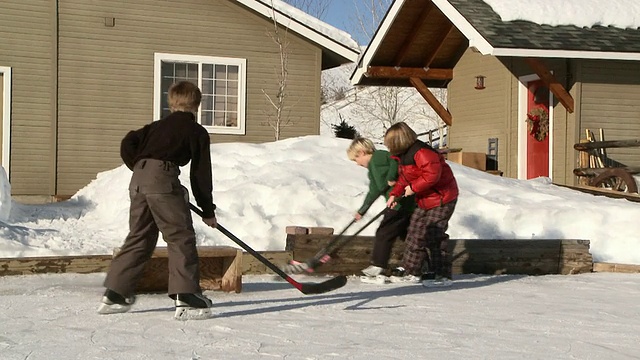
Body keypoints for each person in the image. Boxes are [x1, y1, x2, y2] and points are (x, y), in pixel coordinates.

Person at [98, 81, 218, 320]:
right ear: (196, 104)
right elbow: (200, 174)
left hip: (138, 180)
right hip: (162, 178)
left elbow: (128, 142)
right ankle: (186, 295)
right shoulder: (196, 132)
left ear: (171, 102)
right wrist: (207, 209)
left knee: (139, 236)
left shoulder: (155, 127)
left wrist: (141, 167)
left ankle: (115, 294)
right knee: (180, 236)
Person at [383, 122, 459, 287]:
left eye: (390, 144)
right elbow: (405, 177)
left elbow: (433, 175)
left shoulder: (423, 153)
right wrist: (395, 194)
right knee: (414, 233)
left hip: (442, 198)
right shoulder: (404, 156)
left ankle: (442, 274)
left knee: (434, 234)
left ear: (399, 141)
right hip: (424, 199)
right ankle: (412, 271)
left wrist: (413, 188)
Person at [347, 137, 415, 284]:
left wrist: (391, 177)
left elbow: (394, 160)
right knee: (408, 236)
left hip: (399, 203)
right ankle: (417, 266)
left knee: (384, 233)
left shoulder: (379, 157)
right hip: (400, 204)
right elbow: (374, 191)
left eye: (356, 159)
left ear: (362, 152)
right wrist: (362, 211)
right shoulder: (372, 169)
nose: (357, 164)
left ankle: (379, 265)